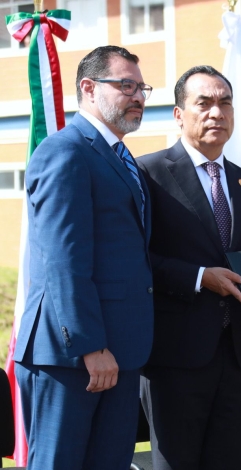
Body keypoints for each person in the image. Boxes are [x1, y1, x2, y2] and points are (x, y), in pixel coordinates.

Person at [14, 45, 154, 469]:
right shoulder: (66, 151)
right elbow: (63, 261)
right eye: (126, 85)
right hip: (73, 356)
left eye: (142, 87)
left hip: (121, 352)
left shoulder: (122, 157)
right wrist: (91, 346)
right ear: (89, 88)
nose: (139, 96)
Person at [136, 65, 241, 470]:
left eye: (225, 103)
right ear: (179, 114)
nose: (217, 113)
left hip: (238, 358)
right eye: (204, 103)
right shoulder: (147, 174)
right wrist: (198, 278)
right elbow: (136, 260)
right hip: (175, 358)